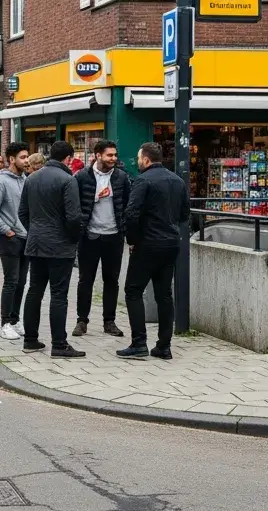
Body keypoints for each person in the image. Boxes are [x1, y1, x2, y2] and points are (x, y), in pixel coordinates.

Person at [118, 142, 188, 360]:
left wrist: (133, 240)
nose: (138, 162)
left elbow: (131, 213)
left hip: (147, 243)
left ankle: (139, 343)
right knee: (164, 294)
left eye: (139, 159)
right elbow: (185, 214)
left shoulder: (143, 180)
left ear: (146, 160)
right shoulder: (177, 180)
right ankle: (164, 346)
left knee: (133, 290)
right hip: (171, 243)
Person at [18, 140, 83, 359]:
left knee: (34, 291)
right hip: (60, 247)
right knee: (59, 294)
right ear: (68, 158)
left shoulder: (32, 178)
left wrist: (34, 230)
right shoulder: (68, 180)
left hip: (35, 244)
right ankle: (59, 344)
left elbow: (22, 212)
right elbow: (73, 217)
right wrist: (74, 238)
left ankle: (30, 339)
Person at [72, 140, 130, 338]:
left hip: (114, 235)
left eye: (115, 155)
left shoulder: (122, 177)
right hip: (90, 236)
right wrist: (97, 196)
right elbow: (75, 205)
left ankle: (109, 321)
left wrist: (127, 234)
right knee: (85, 280)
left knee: (111, 280)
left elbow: (128, 205)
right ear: (98, 155)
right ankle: (82, 320)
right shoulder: (82, 177)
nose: (113, 158)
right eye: (109, 155)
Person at [0, 142, 29, 340]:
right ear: (11, 159)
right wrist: (6, 231)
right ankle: (5, 323)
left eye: (27, 156)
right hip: (8, 238)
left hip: (25, 237)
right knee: (11, 281)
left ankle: (15, 319)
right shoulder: (0, 182)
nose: (26, 160)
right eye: (22, 157)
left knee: (21, 282)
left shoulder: (25, 179)